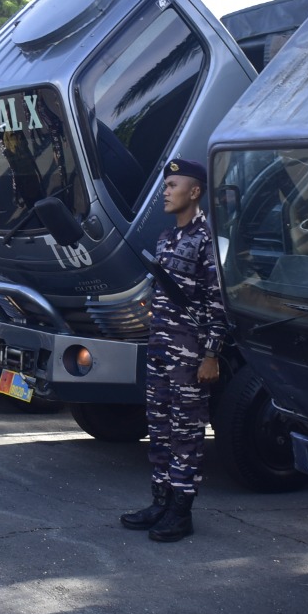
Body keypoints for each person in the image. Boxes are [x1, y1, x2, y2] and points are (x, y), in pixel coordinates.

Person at [120, 158, 229, 543]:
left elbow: (217, 301)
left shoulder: (207, 240)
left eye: (172, 186)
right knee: (160, 428)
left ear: (194, 191)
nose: (165, 192)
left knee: (186, 431)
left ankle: (181, 512)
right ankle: (160, 502)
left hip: (189, 353)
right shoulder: (166, 237)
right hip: (160, 349)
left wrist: (211, 354)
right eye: (165, 186)